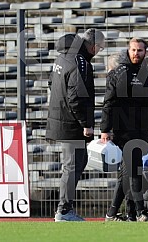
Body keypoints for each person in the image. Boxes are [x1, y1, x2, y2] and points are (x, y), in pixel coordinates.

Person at [46, 29, 105, 222]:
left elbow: (50, 83)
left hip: (61, 119)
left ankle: (66, 207)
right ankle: (63, 210)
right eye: (99, 48)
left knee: (78, 162)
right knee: (72, 166)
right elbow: (77, 97)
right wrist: (86, 124)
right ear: (93, 46)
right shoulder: (80, 62)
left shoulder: (62, 57)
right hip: (72, 124)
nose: (98, 51)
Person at [100, 38, 148, 222]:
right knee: (134, 170)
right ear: (128, 50)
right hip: (123, 131)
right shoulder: (119, 73)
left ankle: (124, 213)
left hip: (142, 131)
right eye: (133, 50)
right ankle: (142, 211)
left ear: (145, 53)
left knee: (127, 174)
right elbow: (109, 102)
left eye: (139, 50)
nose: (136, 53)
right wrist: (105, 129)